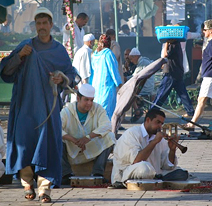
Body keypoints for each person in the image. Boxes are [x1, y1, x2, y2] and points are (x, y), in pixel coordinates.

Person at [0, 7, 77, 203]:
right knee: (23, 145)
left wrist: (61, 78)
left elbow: (70, 74)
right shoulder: (26, 46)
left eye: (45, 23)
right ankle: (27, 183)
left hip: (48, 109)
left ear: (51, 25)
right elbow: (6, 71)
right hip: (25, 106)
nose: (42, 27)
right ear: (35, 25)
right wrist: (19, 57)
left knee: (48, 146)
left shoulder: (59, 50)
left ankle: (44, 189)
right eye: (38, 23)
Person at [111, 109, 188, 188]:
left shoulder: (158, 138)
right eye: (158, 122)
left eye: (162, 123)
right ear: (148, 120)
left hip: (155, 173)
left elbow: (167, 166)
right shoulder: (132, 133)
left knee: (182, 173)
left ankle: (157, 179)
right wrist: (154, 142)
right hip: (128, 172)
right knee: (144, 168)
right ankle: (158, 179)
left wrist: (172, 150)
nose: (160, 126)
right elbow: (136, 160)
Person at [60, 84, 116, 183]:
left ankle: (98, 174)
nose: (89, 103)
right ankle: (66, 174)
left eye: (91, 100)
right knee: (55, 138)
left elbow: (107, 126)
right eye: (86, 100)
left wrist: (88, 138)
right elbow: (57, 129)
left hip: (90, 148)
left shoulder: (98, 108)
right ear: (78, 98)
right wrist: (73, 140)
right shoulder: (67, 111)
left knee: (110, 137)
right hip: (71, 149)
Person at [150, 39, 195, 118]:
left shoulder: (172, 45)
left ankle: (152, 111)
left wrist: (166, 44)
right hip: (177, 73)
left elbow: (164, 55)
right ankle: (190, 111)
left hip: (171, 73)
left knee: (162, 93)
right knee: (182, 93)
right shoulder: (177, 44)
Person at [90, 34, 122, 120]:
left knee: (97, 112)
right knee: (106, 112)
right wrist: (119, 84)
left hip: (96, 87)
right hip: (107, 87)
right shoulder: (108, 54)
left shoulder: (95, 55)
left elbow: (92, 72)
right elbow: (113, 71)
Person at [128, 48, 154, 122]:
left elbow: (135, 76)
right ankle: (138, 109)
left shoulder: (142, 63)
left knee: (129, 93)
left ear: (135, 56)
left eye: (131, 59)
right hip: (145, 85)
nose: (131, 61)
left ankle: (137, 111)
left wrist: (124, 78)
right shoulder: (143, 61)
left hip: (145, 87)